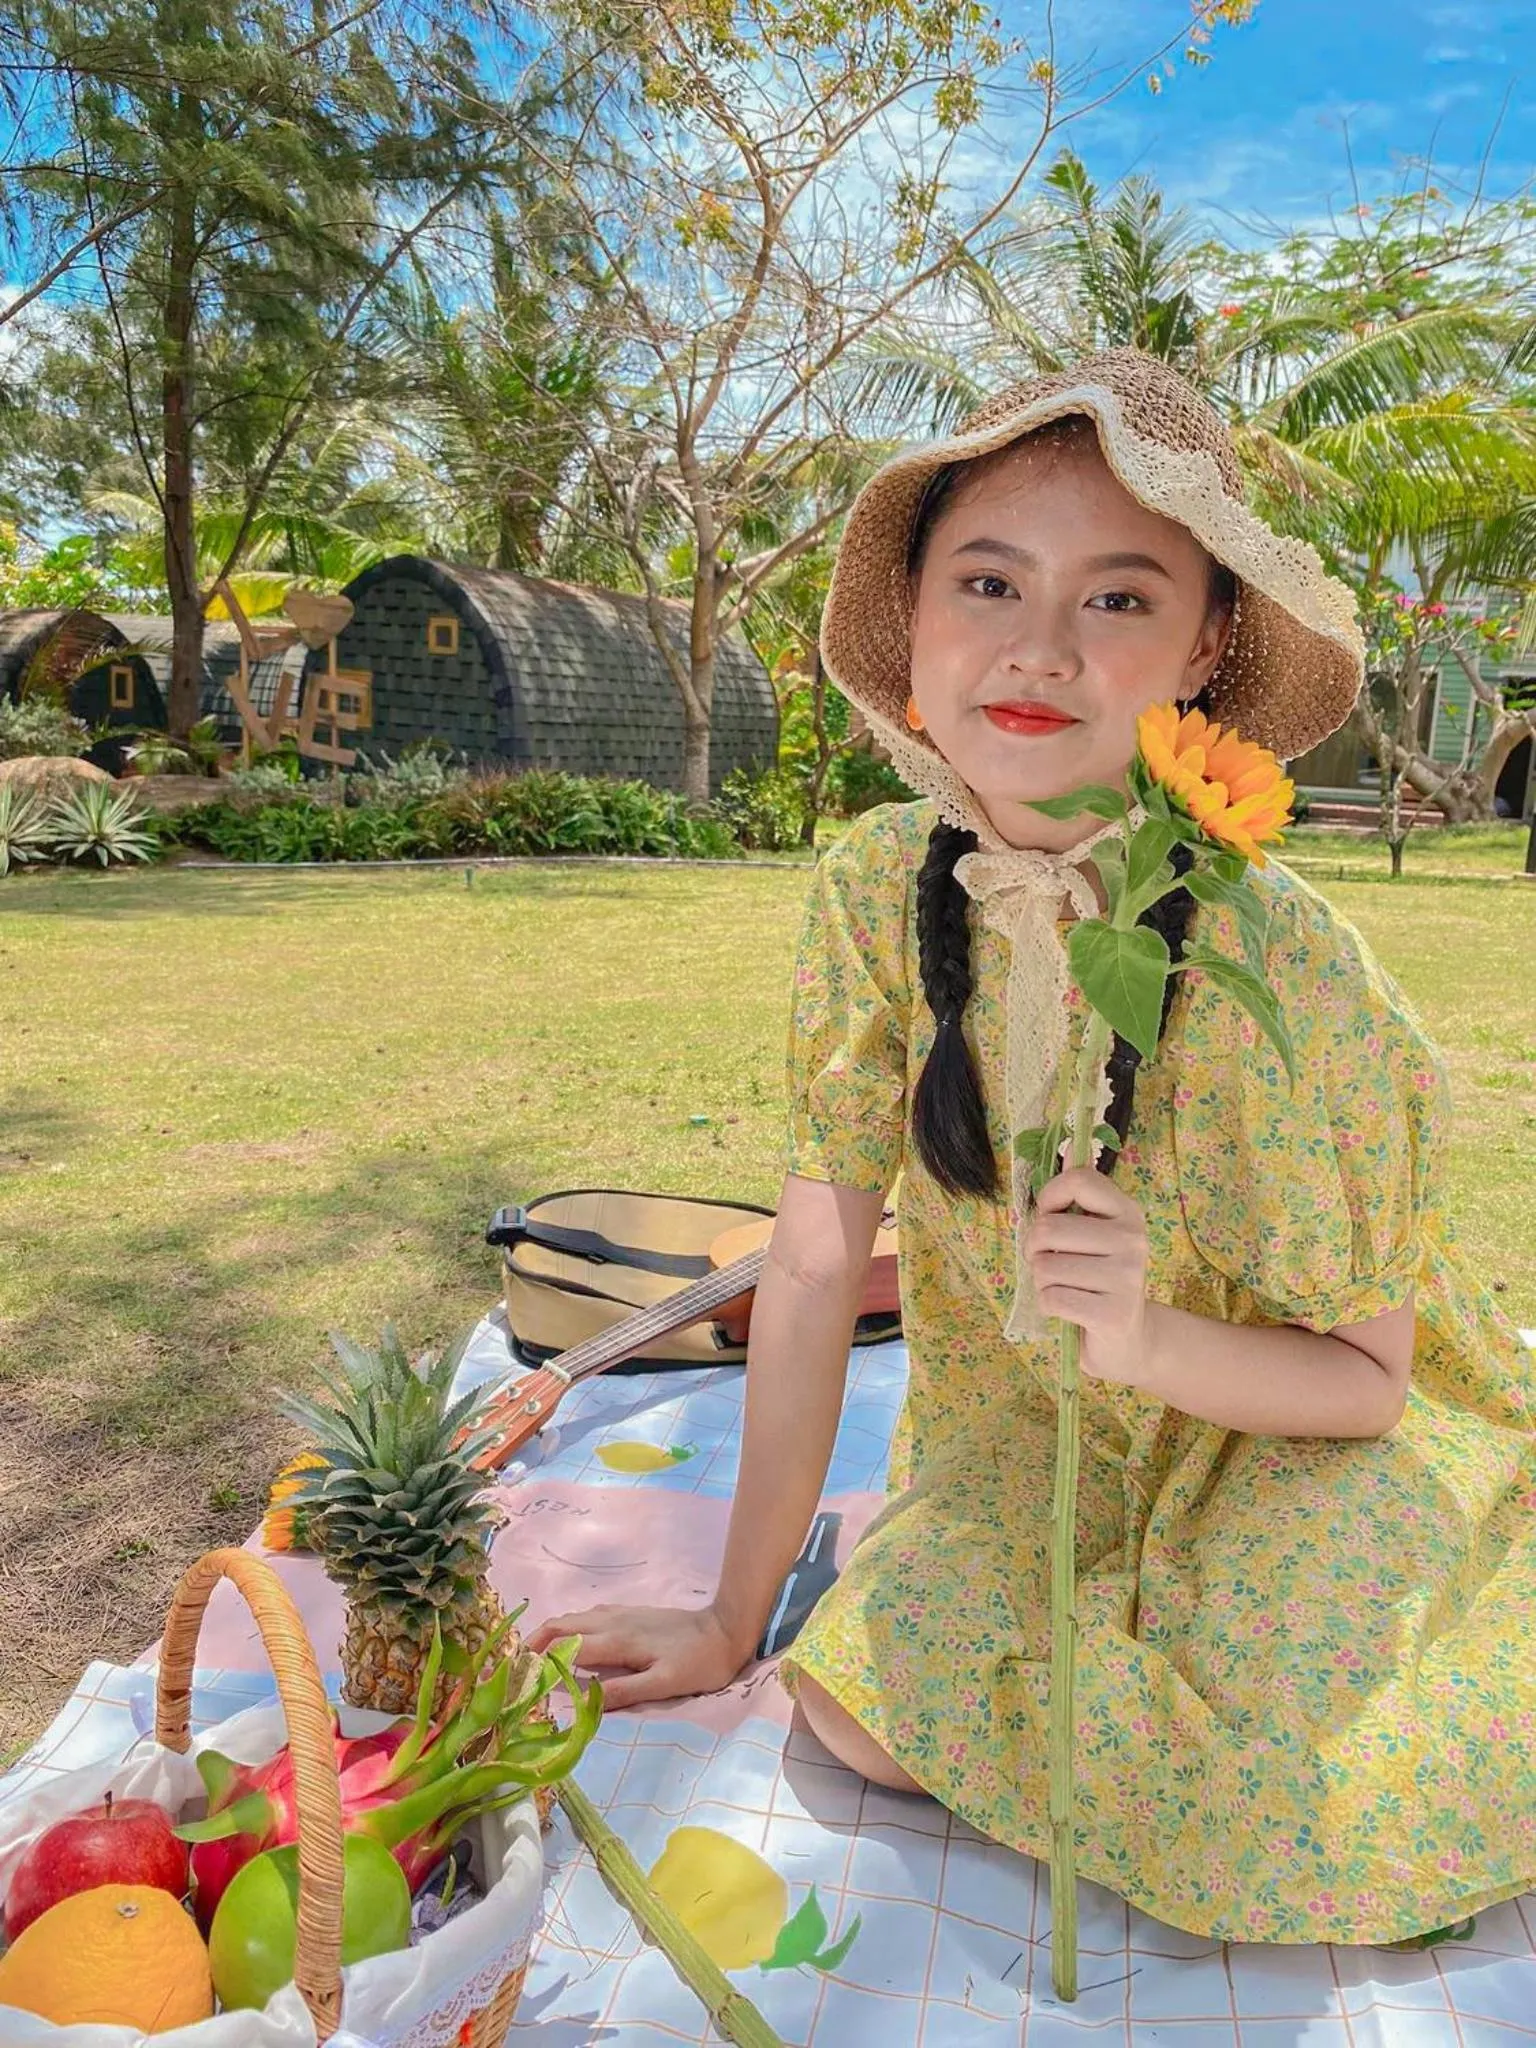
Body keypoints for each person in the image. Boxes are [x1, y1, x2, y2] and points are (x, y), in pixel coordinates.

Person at [529, 350, 1536, 1946]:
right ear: (916, 620)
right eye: (989, 580)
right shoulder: (875, 893)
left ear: (1206, 650)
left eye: (1120, 601)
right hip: (1011, 1460)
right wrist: (735, 1613)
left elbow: (1365, 1380)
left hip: (1278, 1441)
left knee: (1304, 1793)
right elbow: (807, 1260)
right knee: (853, 1714)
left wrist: (1142, 1338)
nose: (1040, 649)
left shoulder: (1290, 968)